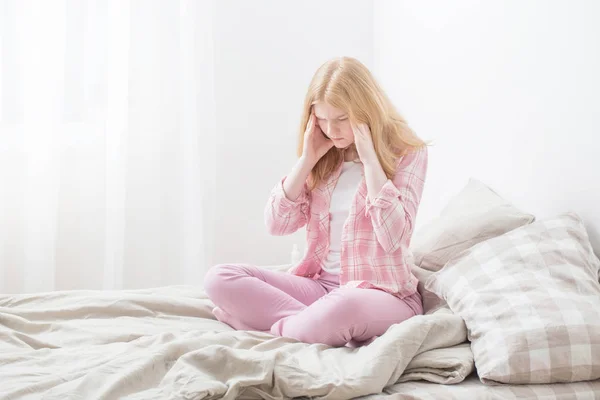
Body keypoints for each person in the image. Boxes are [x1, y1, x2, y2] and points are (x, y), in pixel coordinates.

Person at [204, 57, 428, 347]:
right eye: (321, 119)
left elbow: (393, 236)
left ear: (366, 112)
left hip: (383, 293)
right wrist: (307, 160)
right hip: (320, 287)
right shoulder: (326, 155)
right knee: (218, 278)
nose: (331, 130)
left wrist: (371, 160)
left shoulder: (409, 153)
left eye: (341, 119)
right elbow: (277, 224)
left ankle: (264, 326)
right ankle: (310, 323)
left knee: (346, 304)